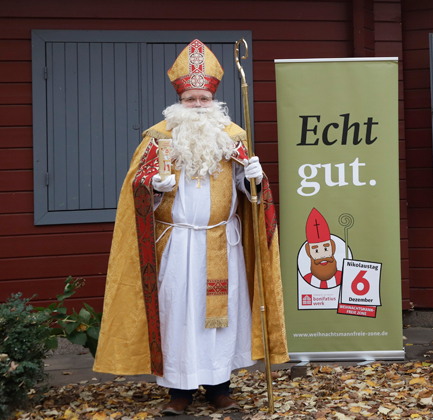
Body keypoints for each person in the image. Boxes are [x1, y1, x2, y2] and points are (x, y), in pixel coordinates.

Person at [93, 39, 289, 415]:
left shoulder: (232, 136)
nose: (198, 106)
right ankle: (178, 393)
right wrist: (150, 186)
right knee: (178, 315)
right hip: (178, 243)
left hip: (223, 242)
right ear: (178, 101)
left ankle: (220, 387)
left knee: (219, 318)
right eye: (191, 100)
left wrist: (256, 179)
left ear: (214, 100)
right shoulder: (158, 137)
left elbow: (253, 199)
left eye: (203, 99)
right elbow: (133, 191)